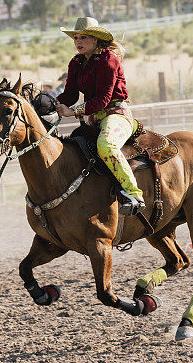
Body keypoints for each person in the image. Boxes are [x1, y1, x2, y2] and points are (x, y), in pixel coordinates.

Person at [55, 16, 145, 216]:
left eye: (83, 37)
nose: (78, 41)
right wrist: (50, 102)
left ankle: (133, 194)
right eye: (75, 38)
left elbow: (104, 99)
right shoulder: (76, 62)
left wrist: (74, 111)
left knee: (106, 145)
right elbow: (69, 94)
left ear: (95, 39)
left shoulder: (108, 59)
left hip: (117, 114)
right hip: (95, 119)